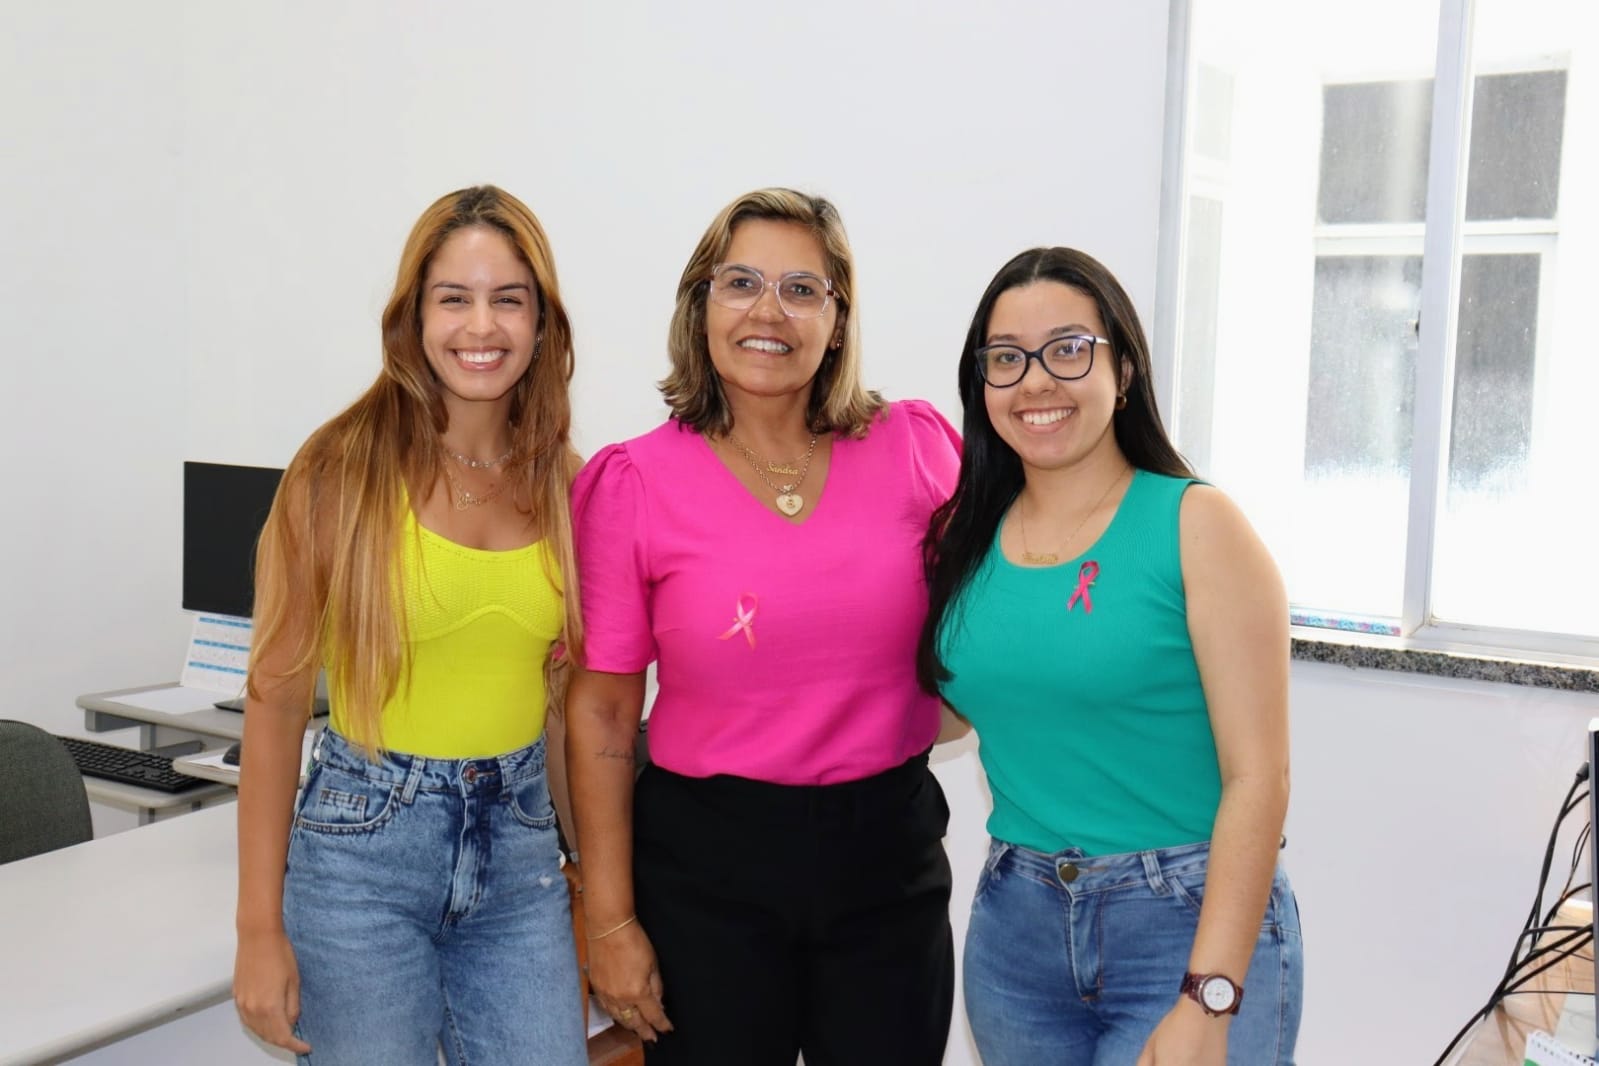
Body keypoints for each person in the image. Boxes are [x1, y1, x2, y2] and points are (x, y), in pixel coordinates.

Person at [566, 188, 960, 1065]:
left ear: (838, 318)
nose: (768, 311)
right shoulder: (632, 483)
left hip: (886, 864)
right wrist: (611, 919)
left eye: (801, 289)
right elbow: (599, 716)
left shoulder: (916, 447)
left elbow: (994, 615)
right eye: (740, 282)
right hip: (705, 875)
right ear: (700, 303)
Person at [918, 247, 1303, 1065]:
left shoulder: (1196, 525)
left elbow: (1259, 779)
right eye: (1006, 358)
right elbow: (955, 710)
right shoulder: (965, 536)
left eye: (1067, 349)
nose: (1035, 382)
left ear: (1121, 370)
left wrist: (1209, 993)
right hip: (1016, 928)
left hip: (1183, 921)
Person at [232, 185, 589, 1066]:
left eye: (509, 300)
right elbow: (275, 704)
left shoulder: (567, 483)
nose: (482, 326)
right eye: (454, 298)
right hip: (361, 863)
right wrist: (257, 929)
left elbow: (563, 707)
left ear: (541, 323)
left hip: (519, 860)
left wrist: (592, 878)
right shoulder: (340, 469)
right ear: (414, 316)